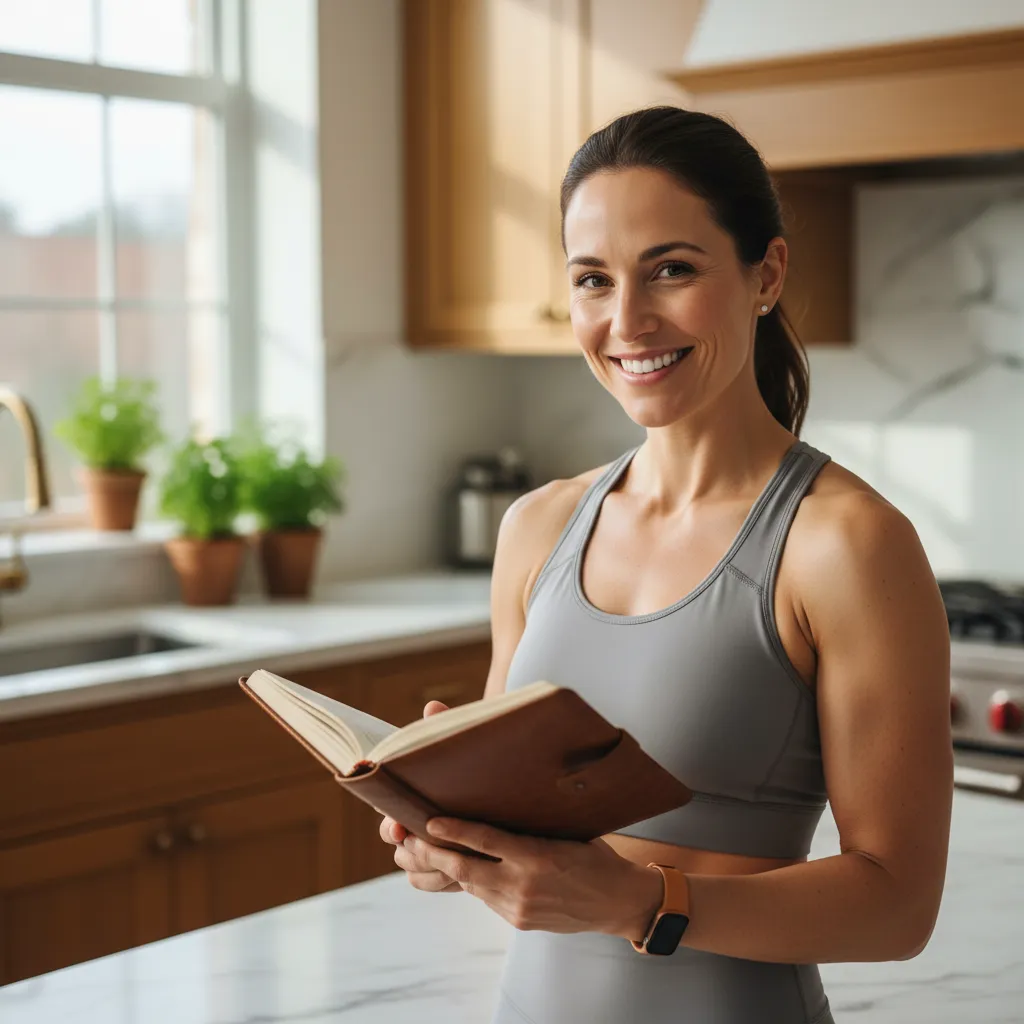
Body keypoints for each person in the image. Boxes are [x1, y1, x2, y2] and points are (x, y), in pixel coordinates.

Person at [378, 106, 953, 1024]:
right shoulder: (538, 528)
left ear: (765, 274)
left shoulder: (843, 544)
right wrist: (446, 839)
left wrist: (639, 903)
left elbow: (899, 905)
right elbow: (526, 842)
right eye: (592, 280)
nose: (627, 320)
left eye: (671, 270)